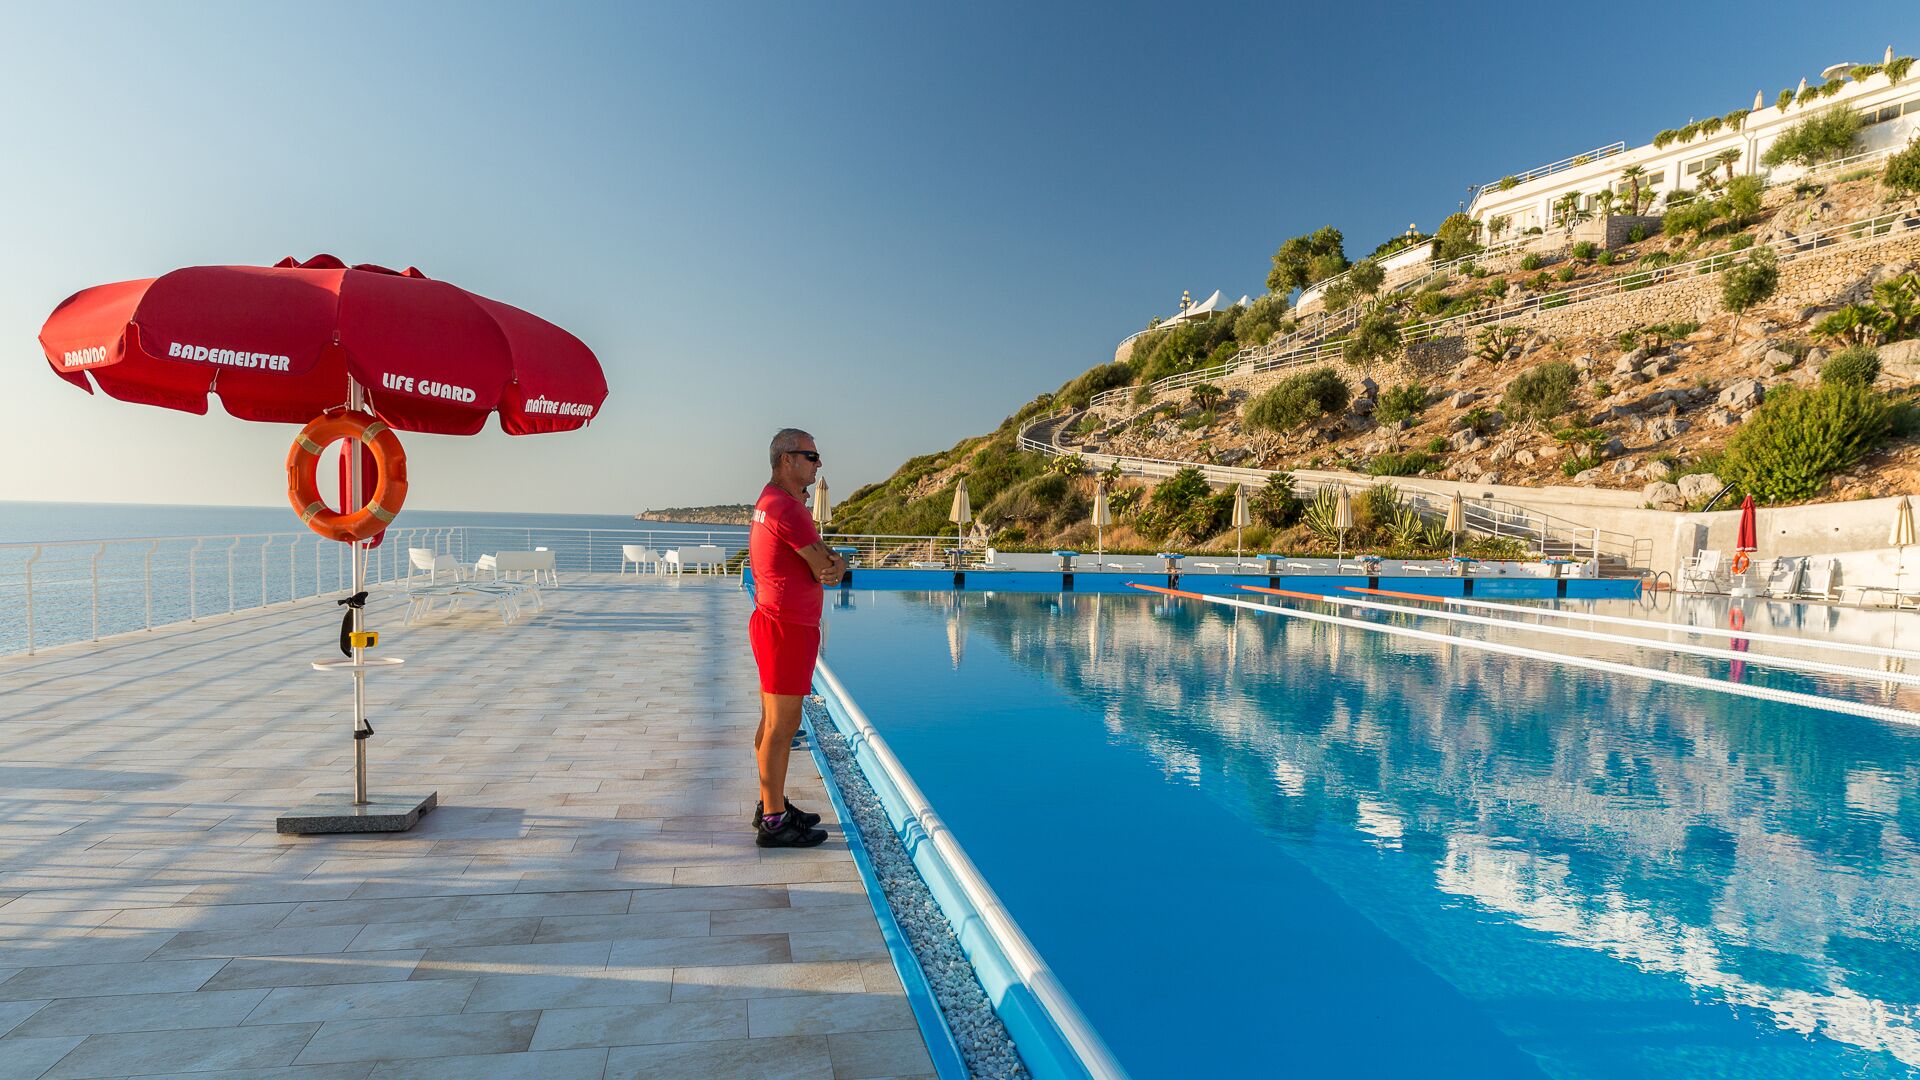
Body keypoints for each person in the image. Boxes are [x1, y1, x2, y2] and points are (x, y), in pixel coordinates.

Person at [748, 428, 846, 847]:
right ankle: (773, 822)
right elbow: (824, 567)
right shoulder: (786, 509)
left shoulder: (776, 503)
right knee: (782, 727)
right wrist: (835, 562)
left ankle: (770, 803)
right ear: (786, 459)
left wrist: (831, 560)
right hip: (786, 628)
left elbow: (824, 561)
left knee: (772, 723)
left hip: (779, 624)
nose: (818, 463)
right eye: (811, 456)